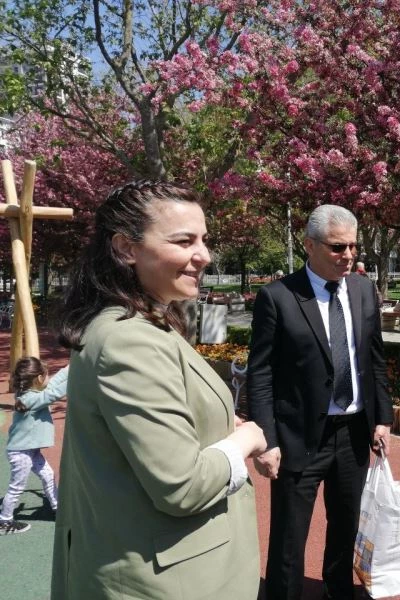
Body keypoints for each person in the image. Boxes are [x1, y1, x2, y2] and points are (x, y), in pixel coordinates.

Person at [52, 181, 267, 598]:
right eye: (184, 241)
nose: (204, 255)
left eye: (203, 239)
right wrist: (247, 439)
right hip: (166, 580)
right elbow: (182, 486)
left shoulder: (142, 325)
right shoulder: (130, 340)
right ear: (126, 248)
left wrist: (222, 425)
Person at [248, 204, 394, 600]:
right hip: (298, 436)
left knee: (346, 526)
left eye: (353, 246)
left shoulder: (363, 290)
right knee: (290, 534)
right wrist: (266, 440)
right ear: (309, 245)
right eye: (337, 247)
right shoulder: (277, 297)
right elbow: (260, 373)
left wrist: (383, 418)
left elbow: (374, 359)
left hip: (354, 432)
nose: (348, 255)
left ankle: (337, 590)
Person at [0, 357, 68, 534]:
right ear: (38, 379)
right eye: (46, 375)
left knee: (48, 475)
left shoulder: (30, 393)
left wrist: (73, 366)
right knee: (17, 487)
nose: (49, 378)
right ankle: (4, 520)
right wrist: (77, 379)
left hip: (30, 450)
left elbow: (54, 384)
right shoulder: (30, 399)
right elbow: (53, 393)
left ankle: (57, 508)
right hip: (21, 453)